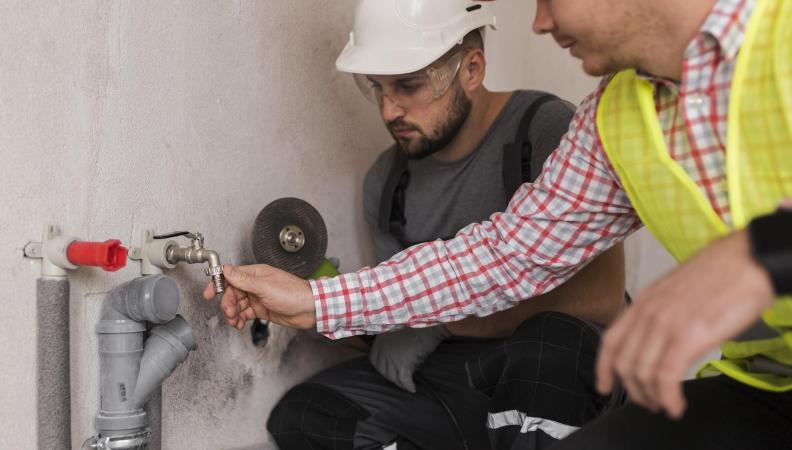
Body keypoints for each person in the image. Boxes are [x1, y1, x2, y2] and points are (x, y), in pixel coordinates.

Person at [207, 0, 792, 448]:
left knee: (549, 357)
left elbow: (591, 301)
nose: (538, 22)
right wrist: (314, 300)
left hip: (553, 362)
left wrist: (760, 254)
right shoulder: (616, 119)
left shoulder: (779, 35)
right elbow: (506, 255)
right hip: (765, 385)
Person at [265, 3, 625, 449]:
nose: (389, 111)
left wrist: (445, 324)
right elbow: (403, 318)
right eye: (377, 87)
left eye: (408, 85)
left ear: (471, 69)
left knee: (549, 350)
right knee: (308, 414)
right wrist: (323, 310)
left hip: (556, 370)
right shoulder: (387, 182)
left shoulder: (546, 131)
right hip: (456, 376)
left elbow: (600, 298)